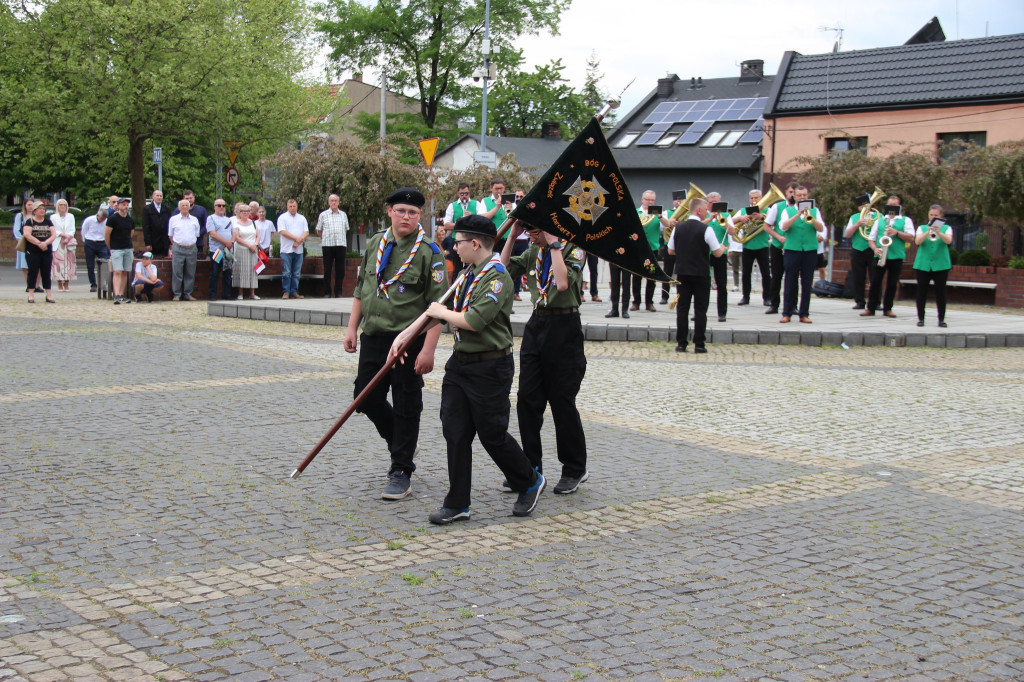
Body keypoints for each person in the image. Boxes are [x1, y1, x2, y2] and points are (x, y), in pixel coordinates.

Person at [389, 214, 545, 525]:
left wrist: (441, 311)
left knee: (492, 434)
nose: (452, 248)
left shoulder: (497, 277)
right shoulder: (468, 273)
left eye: (457, 242)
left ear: (475, 244)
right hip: (460, 365)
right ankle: (458, 501)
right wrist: (408, 334)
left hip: (491, 366)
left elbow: (473, 321)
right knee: (455, 431)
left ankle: (528, 479)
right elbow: (442, 314)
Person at [344, 187, 447, 501]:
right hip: (374, 336)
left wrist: (428, 349)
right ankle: (399, 439)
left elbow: (437, 307)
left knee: (406, 403)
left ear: (420, 216)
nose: (407, 217)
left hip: (408, 341)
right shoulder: (376, 242)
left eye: (413, 213)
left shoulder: (430, 251)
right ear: (389, 211)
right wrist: (351, 328)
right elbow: (363, 288)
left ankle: (401, 469)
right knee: (365, 396)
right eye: (401, 211)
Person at [501, 219, 589, 494]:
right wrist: (513, 236)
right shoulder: (532, 251)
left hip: (564, 328)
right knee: (527, 400)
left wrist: (554, 245)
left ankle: (574, 468)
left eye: (533, 231)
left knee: (562, 402)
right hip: (537, 324)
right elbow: (500, 269)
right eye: (527, 231)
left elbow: (562, 284)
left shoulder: (573, 249)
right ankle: (531, 468)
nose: (531, 236)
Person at [668, 198, 724, 353]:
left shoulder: (678, 228)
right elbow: (718, 253)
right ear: (698, 210)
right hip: (701, 274)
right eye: (705, 209)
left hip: (683, 273)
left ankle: (681, 343)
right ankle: (699, 344)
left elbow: (670, 250)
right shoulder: (706, 229)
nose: (707, 212)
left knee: (682, 309)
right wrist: (723, 247)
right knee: (700, 310)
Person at [779, 186, 825, 324]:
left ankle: (804, 313)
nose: (802, 197)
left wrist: (811, 217)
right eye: (799, 195)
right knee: (790, 282)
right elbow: (784, 227)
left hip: (809, 250)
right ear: (795, 197)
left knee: (806, 283)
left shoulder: (815, 211)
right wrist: (798, 214)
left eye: (805, 195)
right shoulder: (788, 211)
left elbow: (821, 228)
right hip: (792, 250)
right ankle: (787, 312)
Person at [864, 195, 915, 318]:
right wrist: (875, 248)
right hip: (881, 255)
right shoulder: (879, 220)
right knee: (875, 281)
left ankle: (888, 308)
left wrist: (897, 232)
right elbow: (871, 239)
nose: (892, 207)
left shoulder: (905, 220)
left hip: (896, 256)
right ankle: (871, 308)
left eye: (894, 205)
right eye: (890, 205)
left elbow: (911, 237)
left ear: (899, 206)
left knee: (892, 283)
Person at [913, 205, 954, 328]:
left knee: (940, 292)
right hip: (923, 264)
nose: (933, 217)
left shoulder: (947, 228)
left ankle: (941, 319)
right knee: (921, 292)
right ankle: (921, 319)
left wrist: (938, 232)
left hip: (940, 264)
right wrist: (928, 231)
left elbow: (948, 241)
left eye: (936, 215)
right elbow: (917, 241)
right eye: (931, 215)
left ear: (941, 216)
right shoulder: (921, 228)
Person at [761, 182, 798, 314]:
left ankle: (792, 306)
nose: (792, 195)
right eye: (790, 192)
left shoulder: (801, 208)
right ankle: (774, 304)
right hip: (778, 246)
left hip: (794, 247)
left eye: (795, 193)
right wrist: (778, 237)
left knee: (793, 278)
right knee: (776, 276)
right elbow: (766, 226)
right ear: (786, 193)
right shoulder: (777, 206)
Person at [843, 193, 883, 311]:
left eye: (865, 205)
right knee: (858, 277)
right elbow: (847, 234)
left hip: (873, 249)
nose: (863, 208)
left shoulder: (878, 216)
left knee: (875, 277)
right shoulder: (854, 217)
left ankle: (876, 302)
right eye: (861, 206)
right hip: (858, 249)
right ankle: (859, 301)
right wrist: (857, 224)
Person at [733, 188, 770, 306]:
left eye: (756, 198)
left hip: (762, 245)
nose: (754, 200)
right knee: (746, 273)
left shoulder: (767, 210)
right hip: (748, 245)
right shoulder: (743, 210)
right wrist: (740, 218)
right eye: (752, 198)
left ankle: (767, 298)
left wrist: (762, 218)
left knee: (765, 273)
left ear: (761, 198)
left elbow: (773, 223)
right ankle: (745, 297)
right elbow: (731, 221)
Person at [703, 192, 731, 322]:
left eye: (716, 203)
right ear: (707, 203)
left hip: (720, 253)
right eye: (711, 202)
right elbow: (697, 227)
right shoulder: (703, 215)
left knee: (721, 284)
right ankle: (701, 311)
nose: (713, 205)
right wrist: (710, 218)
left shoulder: (726, 215)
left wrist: (723, 221)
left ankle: (722, 313)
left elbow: (732, 232)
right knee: (703, 284)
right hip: (705, 253)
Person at [315, 194, 349, 298]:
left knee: (340, 270)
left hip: (341, 245)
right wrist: (325, 237)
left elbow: (346, 229)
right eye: (332, 201)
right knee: (327, 269)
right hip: (327, 245)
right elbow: (318, 230)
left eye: (335, 200)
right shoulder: (323, 215)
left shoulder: (343, 215)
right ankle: (327, 292)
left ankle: (338, 292)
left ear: (338, 202)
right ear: (329, 202)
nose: (334, 202)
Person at [632, 190, 661, 312]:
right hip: (638, 248)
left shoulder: (658, 213)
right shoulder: (636, 213)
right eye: (648, 200)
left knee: (651, 277)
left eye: (652, 200)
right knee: (637, 276)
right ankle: (636, 302)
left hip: (652, 248)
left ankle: (649, 302)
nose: (650, 202)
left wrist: (661, 217)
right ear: (642, 200)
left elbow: (668, 224)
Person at [22, 202, 56, 303]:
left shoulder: (48, 222)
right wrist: (39, 243)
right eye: (40, 209)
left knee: (46, 272)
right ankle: (31, 294)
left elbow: (53, 234)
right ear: (35, 211)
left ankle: (48, 294)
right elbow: (27, 235)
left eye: (43, 209)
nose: (42, 210)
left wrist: (45, 243)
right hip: (33, 251)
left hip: (46, 251)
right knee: (32, 272)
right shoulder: (29, 222)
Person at [168, 198, 200, 301]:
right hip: (178, 248)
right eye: (183, 205)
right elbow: (170, 235)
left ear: (190, 207)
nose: (185, 207)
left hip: (191, 248)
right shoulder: (173, 219)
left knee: (190, 272)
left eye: (187, 205)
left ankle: (188, 293)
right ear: (178, 207)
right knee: (177, 272)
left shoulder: (194, 220)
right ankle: (177, 294)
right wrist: (177, 244)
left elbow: (197, 234)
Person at [105, 197, 135, 304]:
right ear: (118, 206)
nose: (125, 206)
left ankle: (122, 294)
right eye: (123, 204)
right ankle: (116, 294)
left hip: (127, 247)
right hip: (116, 248)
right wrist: (111, 247)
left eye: (127, 205)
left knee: (125, 272)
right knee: (117, 271)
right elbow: (107, 234)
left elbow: (131, 233)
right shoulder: (113, 219)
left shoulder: (130, 220)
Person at [277, 199, 308, 299]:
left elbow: (306, 232)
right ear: (287, 207)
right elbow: (283, 232)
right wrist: (296, 238)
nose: (292, 208)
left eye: (294, 206)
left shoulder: (302, 218)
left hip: (298, 250)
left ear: (297, 206)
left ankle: (294, 291)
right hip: (286, 249)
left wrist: (298, 241)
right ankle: (286, 291)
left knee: (296, 273)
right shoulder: (282, 218)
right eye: (290, 206)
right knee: (286, 272)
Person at [205, 199, 234, 300]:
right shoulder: (211, 218)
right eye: (219, 205)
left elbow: (234, 233)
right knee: (215, 272)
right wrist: (225, 242)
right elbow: (212, 234)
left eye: (223, 205)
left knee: (228, 272)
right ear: (214, 207)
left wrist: (231, 242)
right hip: (217, 250)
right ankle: (213, 294)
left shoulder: (228, 220)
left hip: (227, 251)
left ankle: (227, 294)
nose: (221, 207)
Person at [660, 190, 685, 305]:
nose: (678, 202)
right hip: (669, 245)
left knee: (682, 272)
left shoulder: (688, 214)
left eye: (681, 199)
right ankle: (664, 296)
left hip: (683, 247)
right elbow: (663, 226)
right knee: (667, 272)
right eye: (676, 200)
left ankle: (682, 296)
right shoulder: (667, 212)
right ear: (673, 201)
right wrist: (670, 222)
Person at [231, 203, 261, 300]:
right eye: (243, 211)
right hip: (241, 249)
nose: (245, 213)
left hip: (253, 250)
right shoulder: (236, 223)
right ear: (239, 213)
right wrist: (249, 245)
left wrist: (255, 244)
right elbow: (237, 237)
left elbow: (258, 235)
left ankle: (252, 293)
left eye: (247, 211)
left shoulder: (253, 223)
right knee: (241, 270)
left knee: (253, 271)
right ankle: (240, 293)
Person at [14, 199, 42, 293]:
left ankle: (36, 285)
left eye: (32, 205)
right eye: (29, 205)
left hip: (36, 242)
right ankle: (29, 285)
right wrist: (23, 239)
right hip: (25, 243)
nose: (30, 206)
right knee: (25, 266)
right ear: (25, 205)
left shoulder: (37, 216)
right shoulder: (20, 216)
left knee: (37, 265)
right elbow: (16, 230)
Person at [476, 178, 513, 250]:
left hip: (508, 239)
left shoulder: (510, 200)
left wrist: (509, 209)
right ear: (491, 188)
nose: (499, 191)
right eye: (496, 189)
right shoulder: (485, 201)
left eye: (501, 188)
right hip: (492, 239)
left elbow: (512, 219)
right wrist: (497, 207)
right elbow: (482, 218)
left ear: (504, 188)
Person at [80, 207, 110, 292]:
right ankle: (93, 284)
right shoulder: (89, 220)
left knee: (104, 263)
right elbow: (84, 231)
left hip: (102, 243)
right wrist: (86, 241)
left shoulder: (107, 222)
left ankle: (104, 283)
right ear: (97, 215)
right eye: (101, 218)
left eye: (103, 219)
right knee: (90, 265)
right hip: (90, 242)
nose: (102, 220)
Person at [49, 198, 77, 292]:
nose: (63, 207)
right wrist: (62, 235)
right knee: (58, 263)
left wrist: (68, 236)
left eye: (64, 205)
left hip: (68, 242)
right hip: (58, 241)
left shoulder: (71, 216)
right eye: (61, 205)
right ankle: (59, 283)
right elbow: (53, 229)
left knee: (69, 263)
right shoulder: (53, 217)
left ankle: (67, 283)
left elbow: (73, 229)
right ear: (57, 206)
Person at [142, 189, 173, 257]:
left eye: (160, 196)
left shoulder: (167, 208)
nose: (159, 197)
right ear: (153, 197)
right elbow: (146, 227)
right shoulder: (147, 209)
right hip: (153, 242)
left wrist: (170, 242)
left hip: (165, 242)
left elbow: (170, 226)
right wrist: (148, 243)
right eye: (157, 196)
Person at [182, 190, 208, 256]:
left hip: (198, 243)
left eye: (190, 198)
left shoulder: (201, 210)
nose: (189, 200)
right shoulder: (178, 211)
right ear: (183, 199)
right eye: (187, 198)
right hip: (183, 244)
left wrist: (198, 234)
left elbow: (206, 225)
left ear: (194, 198)